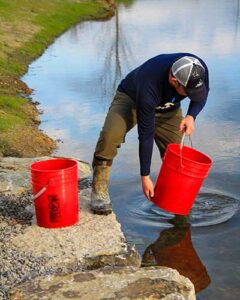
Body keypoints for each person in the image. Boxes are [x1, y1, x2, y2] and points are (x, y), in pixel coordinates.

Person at [90, 53, 209, 215]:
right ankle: (99, 191)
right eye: (187, 91)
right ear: (174, 81)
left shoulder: (197, 69)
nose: (190, 95)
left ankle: (175, 203)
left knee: (175, 154)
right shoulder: (150, 84)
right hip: (132, 99)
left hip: (168, 107)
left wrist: (191, 115)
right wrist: (145, 176)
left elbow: (202, 93)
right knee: (110, 136)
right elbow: (146, 135)